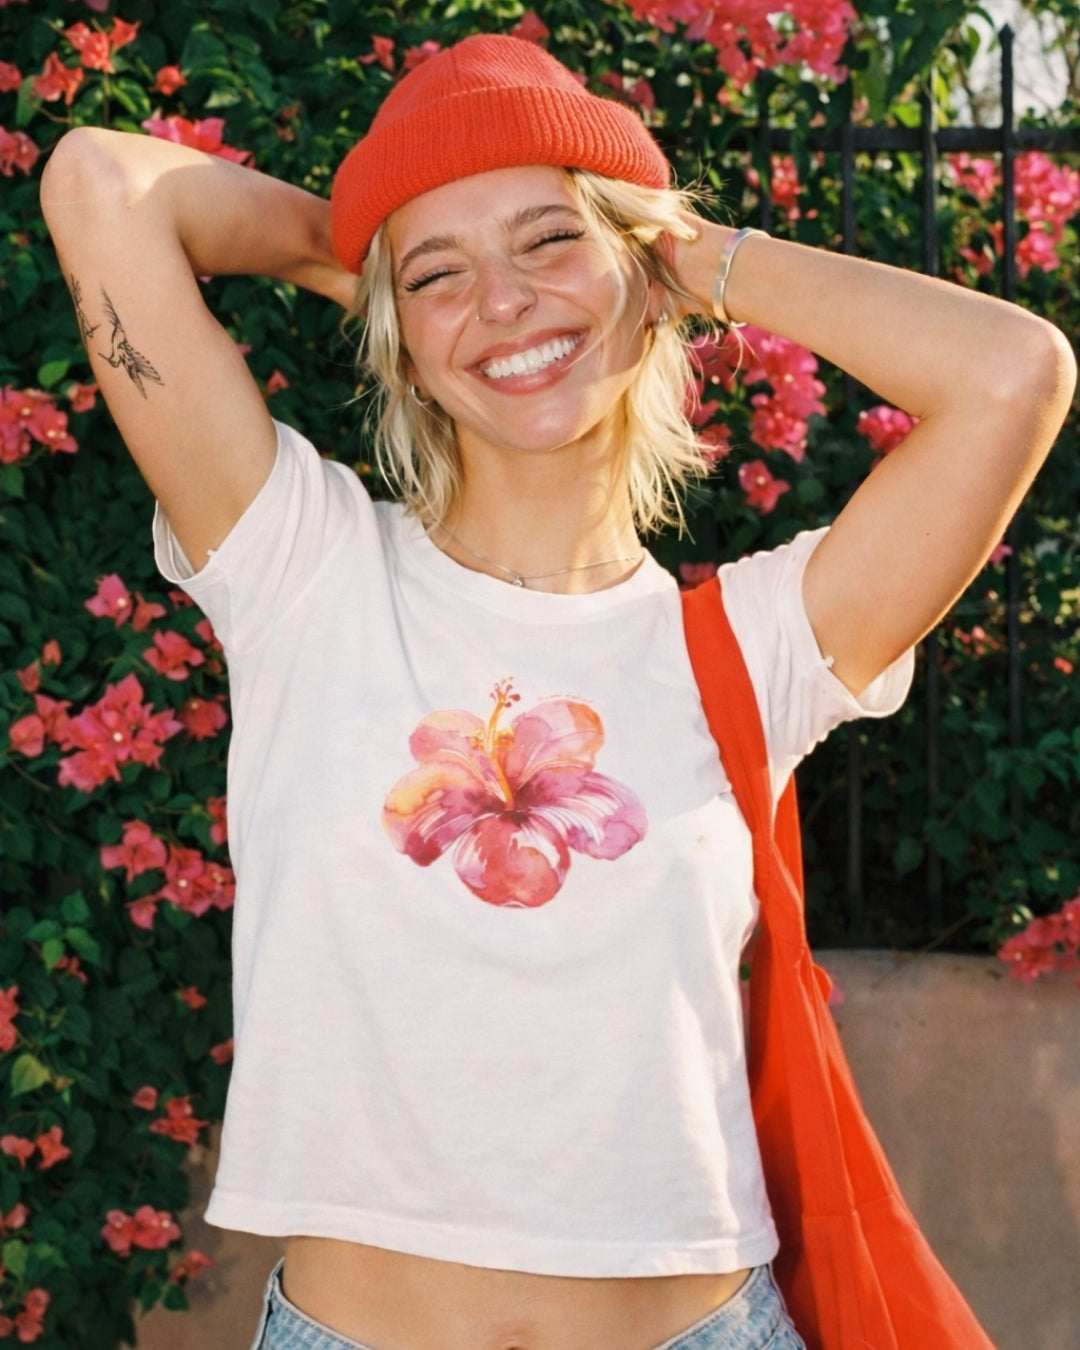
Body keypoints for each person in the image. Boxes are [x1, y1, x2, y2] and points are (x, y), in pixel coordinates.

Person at [40, 31, 1073, 1350]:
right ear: (397, 341)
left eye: (550, 242)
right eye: (441, 275)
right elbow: (99, 184)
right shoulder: (304, 570)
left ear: (643, 275)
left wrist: (684, 256)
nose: (506, 300)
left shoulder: (756, 639)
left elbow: (1012, 375)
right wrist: (359, 254)